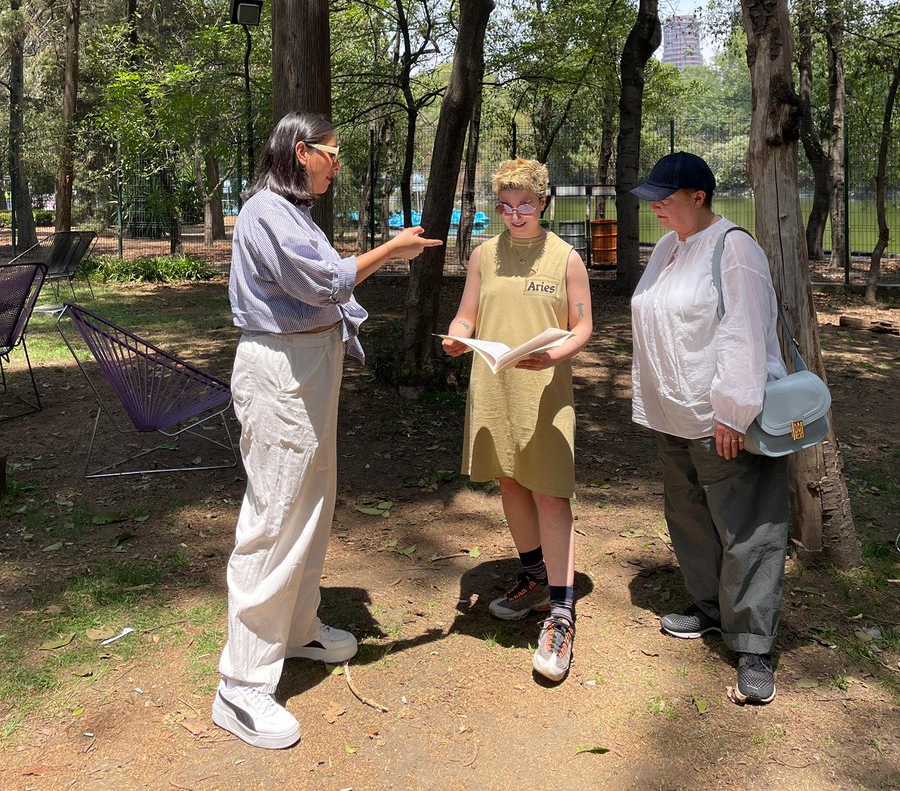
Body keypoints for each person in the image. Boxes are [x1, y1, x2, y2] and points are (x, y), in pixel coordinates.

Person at [213, 111, 441, 749]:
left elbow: (325, 293)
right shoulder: (264, 212)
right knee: (274, 513)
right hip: (280, 369)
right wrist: (392, 249)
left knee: (312, 501)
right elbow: (325, 281)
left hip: (309, 365)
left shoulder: (292, 211)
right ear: (301, 150)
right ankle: (243, 685)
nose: (336, 165)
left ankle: (296, 630)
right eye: (332, 155)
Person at [629, 151, 790, 705]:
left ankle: (753, 644)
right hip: (674, 414)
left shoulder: (734, 248)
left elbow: (745, 330)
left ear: (698, 197)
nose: (654, 209)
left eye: (664, 200)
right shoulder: (673, 246)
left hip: (720, 418)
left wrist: (734, 409)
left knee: (747, 526)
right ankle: (709, 607)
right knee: (690, 514)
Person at [442, 158, 593, 682]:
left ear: (543, 202)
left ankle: (561, 610)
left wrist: (554, 356)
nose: (515, 214)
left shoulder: (567, 258)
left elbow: (581, 327)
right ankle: (531, 577)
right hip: (495, 383)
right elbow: (468, 313)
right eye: (505, 206)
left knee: (550, 491)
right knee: (509, 479)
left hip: (546, 389)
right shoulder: (484, 255)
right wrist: (458, 335)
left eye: (525, 204)